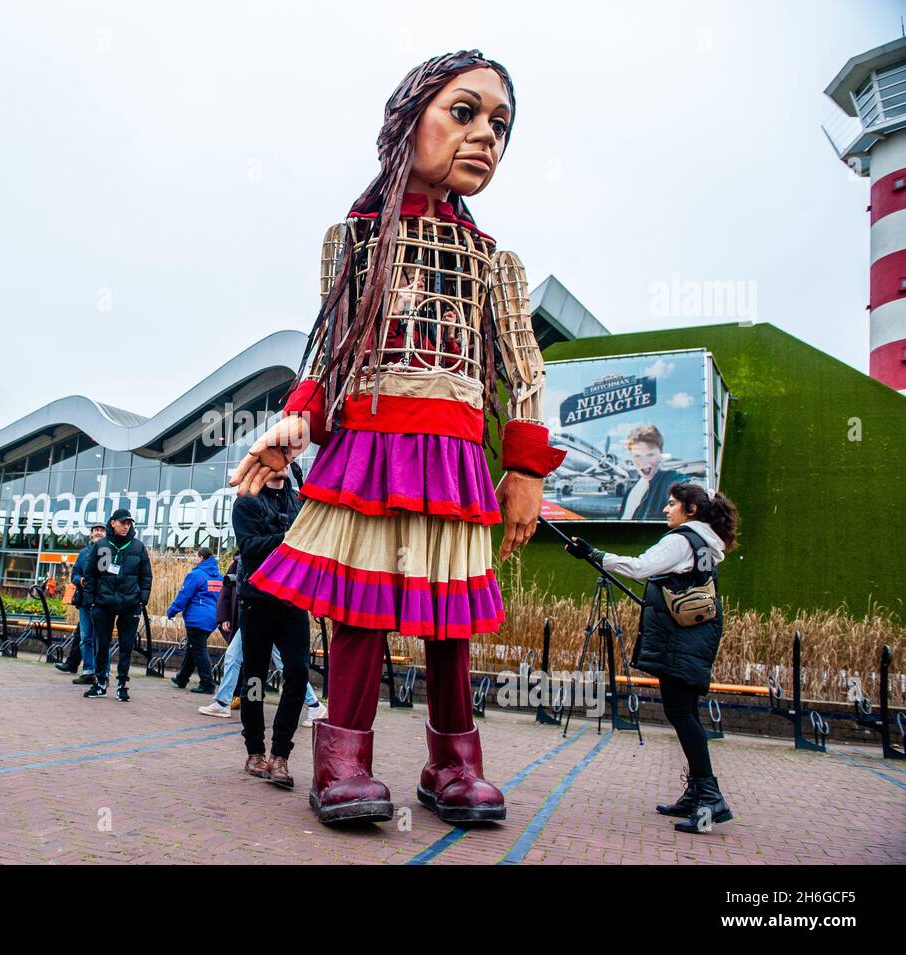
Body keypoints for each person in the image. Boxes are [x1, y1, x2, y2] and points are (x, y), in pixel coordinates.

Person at [230, 51, 566, 826]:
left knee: (451, 616)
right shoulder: (351, 240)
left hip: (454, 455)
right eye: (465, 111)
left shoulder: (493, 261)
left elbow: (525, 370)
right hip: (372, 446)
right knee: (360, 607)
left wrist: (525, 468)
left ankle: (453, 761)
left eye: (500, 125)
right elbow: (330, 358)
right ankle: (344, 758)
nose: (485, 135)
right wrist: (294, 425)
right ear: (406, 118)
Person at [566, 483, 739, 834]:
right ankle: (697, 793)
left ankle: (709, 797)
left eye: (672, 504)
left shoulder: (682, 540)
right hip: (694, 638)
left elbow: (640, 567)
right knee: (686, 712)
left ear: (691, 509)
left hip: (681, 641)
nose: (666, 509)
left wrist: (594, 554)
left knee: (681, 714)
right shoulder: (705, 542)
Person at [231, 467, 312, 789]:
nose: (280, 461)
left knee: (298, 672)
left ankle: (280, 755)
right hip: (257, 600)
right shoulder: (246, 501)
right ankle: (255, 751)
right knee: (254, 677)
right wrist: (293, 538)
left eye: (286, 454)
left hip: (293, 600)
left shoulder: (299, 501)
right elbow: (250, 546)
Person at [198, 555, 328, 726]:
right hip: (253, 615)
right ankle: (225, 702)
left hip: (263, 615)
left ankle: (313, 705)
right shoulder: (243, 558)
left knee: (276, 665)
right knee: (237, 657)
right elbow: (228, 590)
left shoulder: (256, 554)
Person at [80, 508, 152, 702]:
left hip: (130, 604)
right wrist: (90, 600)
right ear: (113, 523)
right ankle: (101, 683)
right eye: (123, 522)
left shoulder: (138, 547)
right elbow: (90, 575)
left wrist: (142, 599)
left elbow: (146, 575)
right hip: (103, 603)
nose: (126, 526)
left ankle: (122, 685)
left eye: (129, 523)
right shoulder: (101, 545)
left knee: (126, 646)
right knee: (101, 645)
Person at [166, 547, 222, 694]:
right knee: (193, 648)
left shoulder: (196, 575)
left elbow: (184, 595)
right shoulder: (218, 576)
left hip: (197, 618)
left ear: (202, 558)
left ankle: (207, 684)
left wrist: (172, 610)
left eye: (196, 556)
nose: (195, 559)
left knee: (198, 650)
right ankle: (182, 678)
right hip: (211, 618)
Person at [56, 519, 106, 681]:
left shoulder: (108, 551)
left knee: (101, 639)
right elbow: (75, 574)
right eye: (95, 530)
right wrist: (81, 580)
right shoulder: (84, 553)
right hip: (85, 600)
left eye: (101, 530)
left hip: (102, 601)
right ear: (91, 533)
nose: (98, 532)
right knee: (86, 637)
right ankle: (88, 671)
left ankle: (102, 673)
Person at [619, 425, 690, 521]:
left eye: (650, 454)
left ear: (660, 453)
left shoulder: (668, 482)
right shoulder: (631, 491)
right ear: (631, 456)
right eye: (637, 456)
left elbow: (686, 485)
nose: (643, 461)